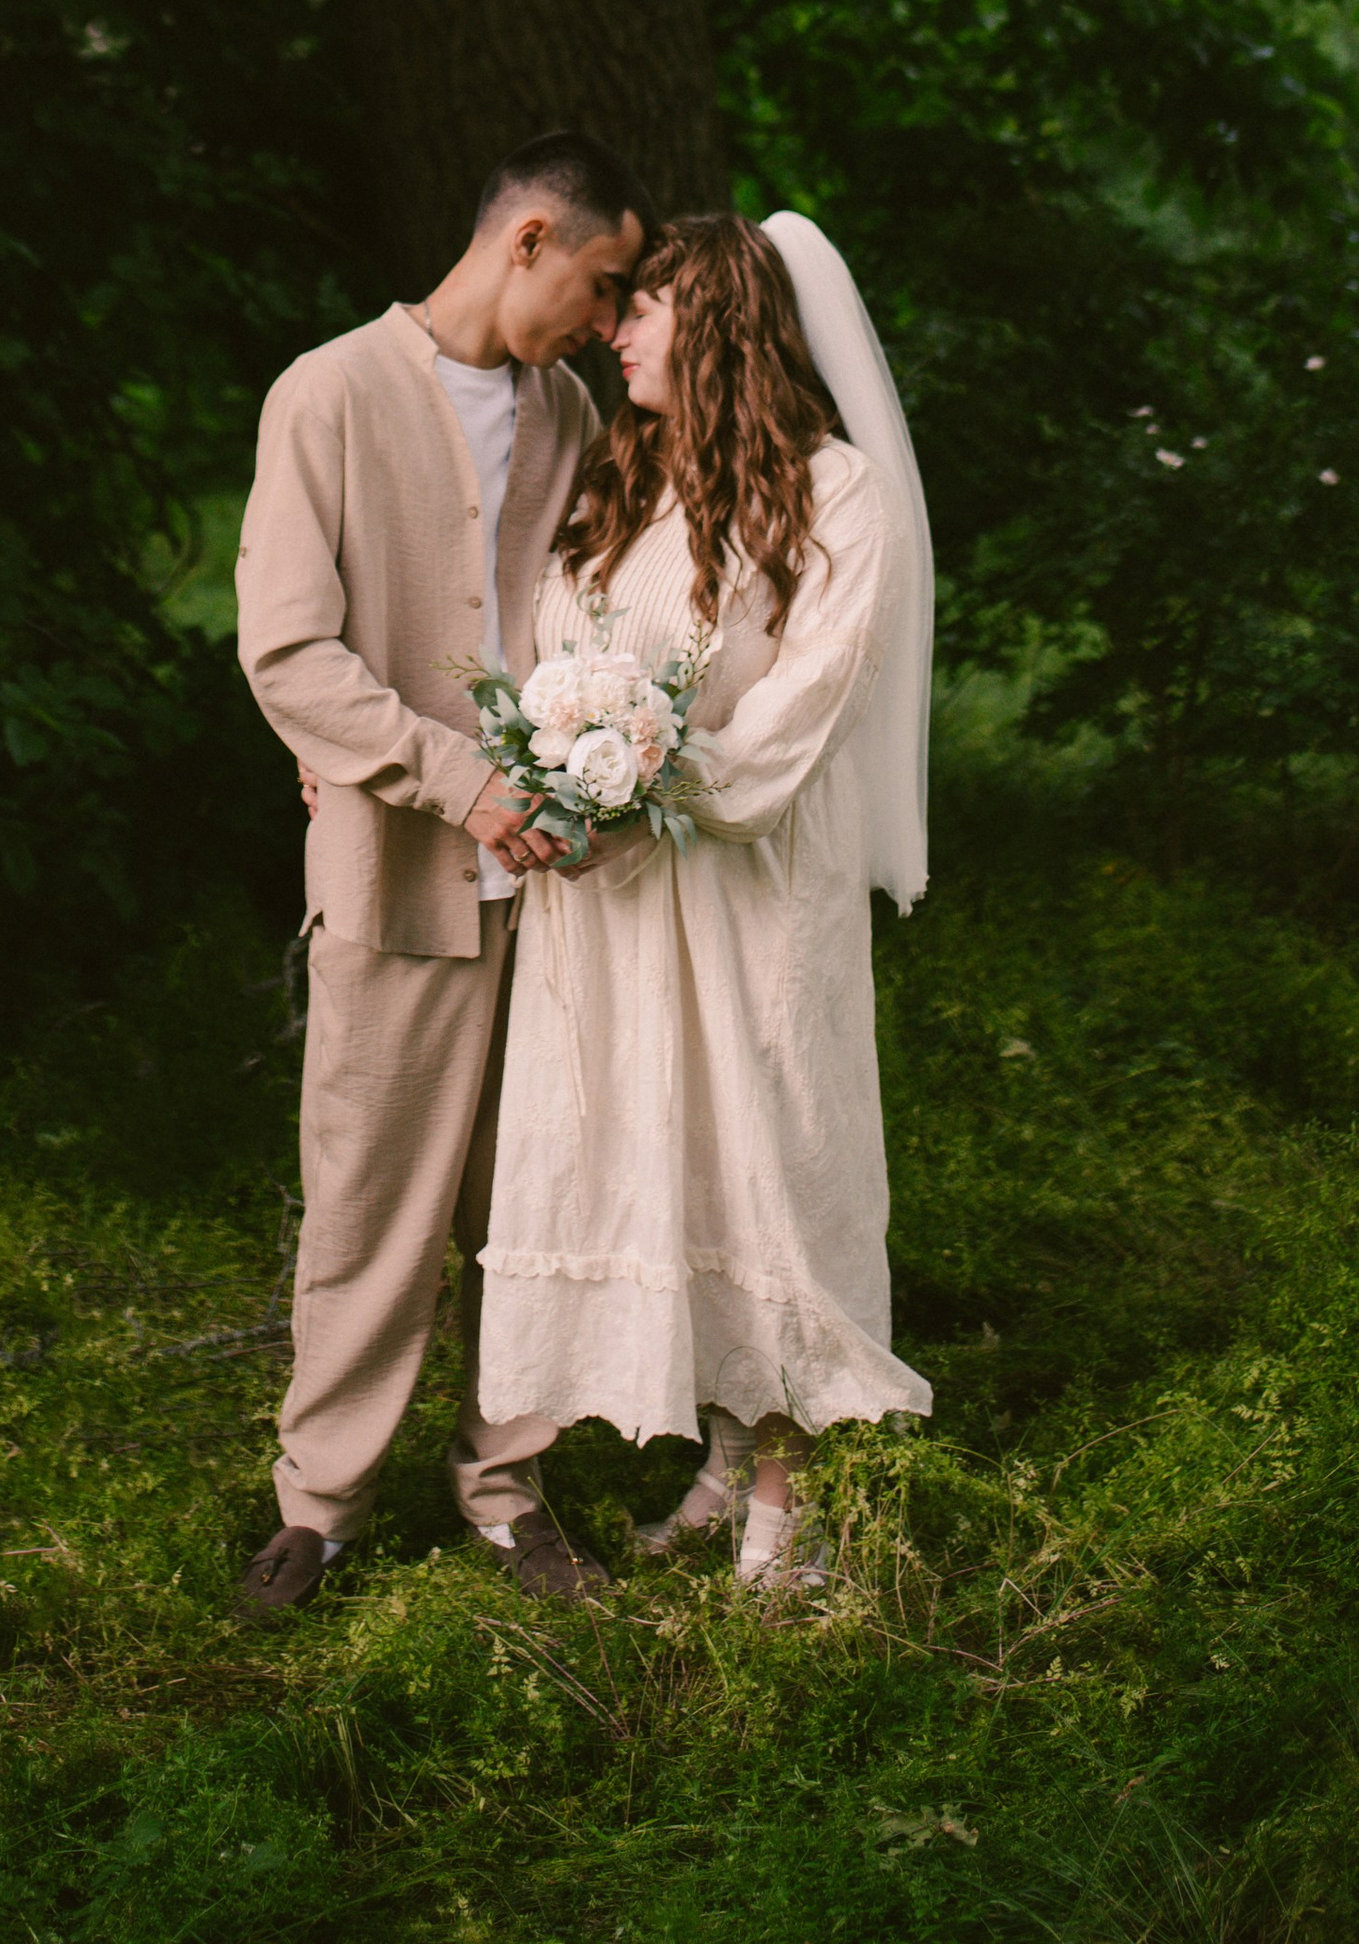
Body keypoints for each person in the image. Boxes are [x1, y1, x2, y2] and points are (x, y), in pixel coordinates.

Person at [229, 130, 654, 1624]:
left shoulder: (570, 419)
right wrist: (458, 782)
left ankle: (506, 1484)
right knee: (366, 1202)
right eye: (602, 285)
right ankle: (320, 1506)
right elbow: (289, 654)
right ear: (528, 238)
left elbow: (599, 621)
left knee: (528, 1201)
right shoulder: (329, 393)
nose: (608, 323)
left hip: (555, 895)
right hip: (396, 874)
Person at [475, 210, 933, 1589]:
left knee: (763, 1165)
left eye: (647, 307)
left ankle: (789, 1513)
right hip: (612, 918)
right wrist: (562, 772)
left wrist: (658, 776)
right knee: (660, 1165)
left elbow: (806, 714)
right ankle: (725, 1465)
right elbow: (557, 657)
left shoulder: (840, 495)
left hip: (746, 897)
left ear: (722, 322)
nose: (615, 328)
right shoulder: (626, 479)